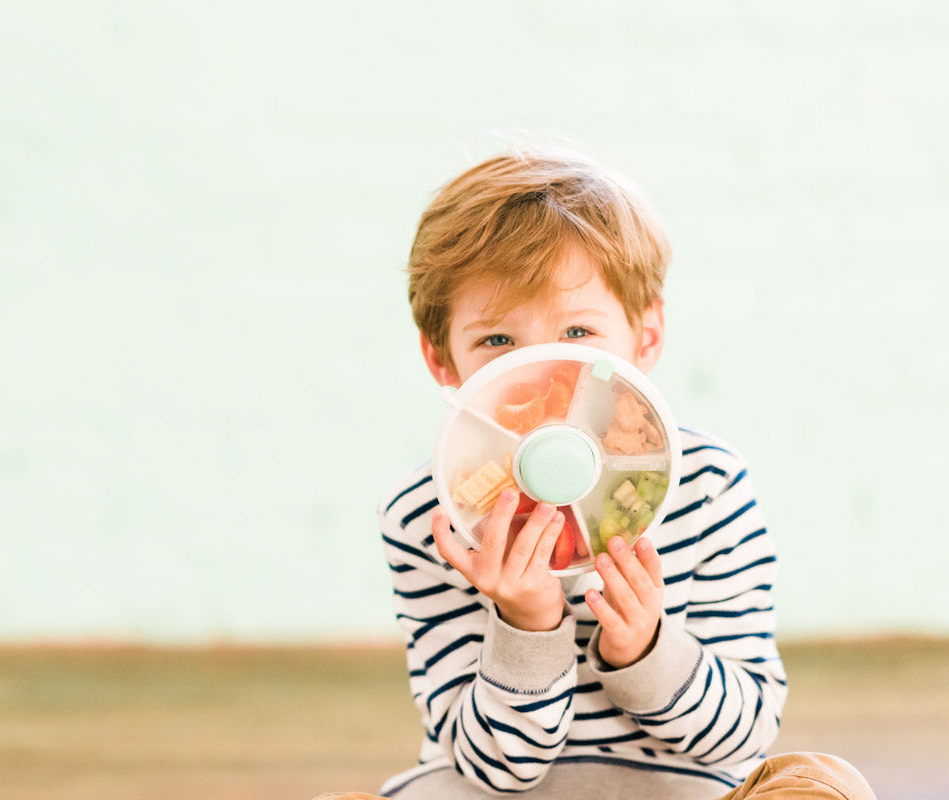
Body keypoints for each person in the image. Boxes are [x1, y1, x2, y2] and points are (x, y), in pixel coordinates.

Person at [368, 147, 876, 799]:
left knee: (822, 784)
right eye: (498, 342)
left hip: (679, 788)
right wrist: (527, 624)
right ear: (442, 360)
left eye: (578, 332)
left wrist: (645, 648)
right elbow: (496, 766)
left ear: (647, 337)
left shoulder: (709, 486)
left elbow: (745, 734)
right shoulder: (426, 513)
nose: (546, 371)